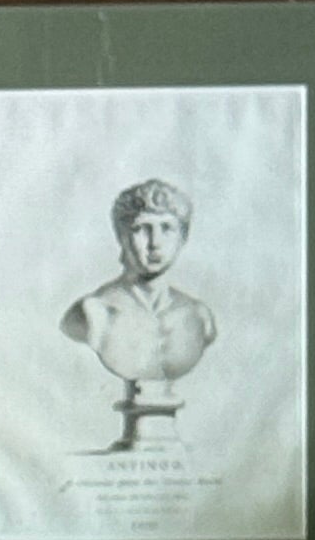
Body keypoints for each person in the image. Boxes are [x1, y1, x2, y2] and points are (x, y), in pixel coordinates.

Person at [60, 176, 216, 454]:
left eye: (167, 228)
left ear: (183, 238)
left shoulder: (199, 316)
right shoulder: (94, 312)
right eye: (142, 229)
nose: (155, 243)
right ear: (122, 236)